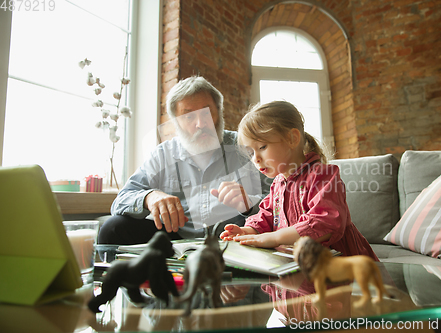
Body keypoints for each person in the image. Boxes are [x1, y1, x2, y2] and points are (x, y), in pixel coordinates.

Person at [98, 76, 269, 245]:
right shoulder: (162, 155)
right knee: (112, 228)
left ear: (219, 111)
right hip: (175, 239)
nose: (201, 123)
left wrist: (249, 203)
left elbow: (282, 199)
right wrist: (149, 197)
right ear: (176, 122)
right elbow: (120, 202)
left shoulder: (246, 147)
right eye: (189, 117)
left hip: (234, 237)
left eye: (207, 113)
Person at [220, 101, 378, 260]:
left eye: (262, 147)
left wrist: (274, 238)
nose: (256, 159)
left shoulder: (322, 175)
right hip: (301, 263)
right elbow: (267, 215)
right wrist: (248, 232)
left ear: (292, 138)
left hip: (342, 265)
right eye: (250, 152)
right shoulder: (278, 183)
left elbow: (326, 223)